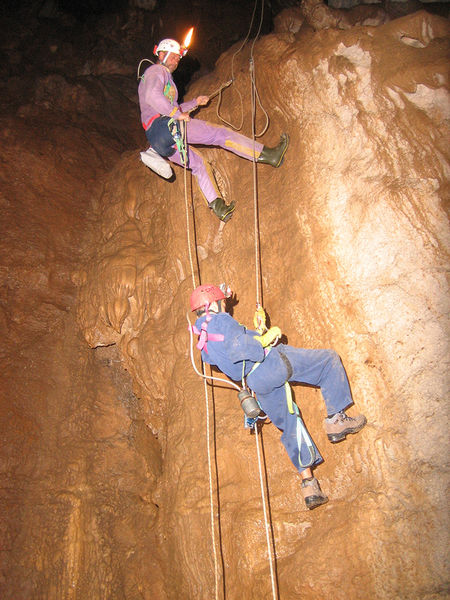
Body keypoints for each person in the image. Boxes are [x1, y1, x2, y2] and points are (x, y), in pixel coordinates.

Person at [189, 284, 367, 510]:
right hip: (272, 364)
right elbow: (240, 348)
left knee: (290, 423)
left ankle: (309, 485)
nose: (225, 305)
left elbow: (226, 356)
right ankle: (337, 420)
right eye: (222, 301)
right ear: (212, 304)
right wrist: (263, 341)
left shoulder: (203, 337)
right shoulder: (221, 321)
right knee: (327, 361)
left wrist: (259, 330)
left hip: (255, 382)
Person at [138, 37, 289, 222]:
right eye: (174, 56)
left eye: (178, 57)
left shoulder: (160, 76)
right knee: (220, 134)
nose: (177, 60)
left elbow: (166, 106)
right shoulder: (156, 70)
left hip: (158, 140)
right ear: (161, 54)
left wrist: (195, 103)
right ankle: (270, 155)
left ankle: (219, 208)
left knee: (199, 164)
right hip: (166, 127)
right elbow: (154, 98)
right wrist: (176, 115)